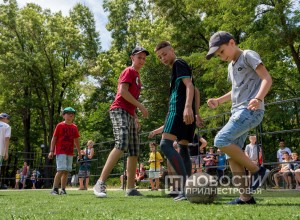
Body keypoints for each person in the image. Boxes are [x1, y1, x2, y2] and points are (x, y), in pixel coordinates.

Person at [206, 31, 272, 204]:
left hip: (250, 110)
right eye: (217, 55)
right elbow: (236, 90)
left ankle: (258, 171)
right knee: (231, 154)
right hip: (237, 112)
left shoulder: (248, 55)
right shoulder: (231, 66)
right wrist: (219, 101)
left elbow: (267, 78)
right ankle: (245, 197)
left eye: (221, 51)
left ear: (232, 43)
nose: (221, 56)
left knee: (220, 139)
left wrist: (258, 98)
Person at [93, 47, 149, 198]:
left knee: (134, 149)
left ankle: (131, 188)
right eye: (139, 57)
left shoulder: (138, 77)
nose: (142, 60)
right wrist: (140, 106)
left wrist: (135, 116)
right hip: (118, 110)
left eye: (144, 58)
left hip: (130, 114)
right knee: (122, 142)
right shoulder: (128, 71)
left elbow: (130, 99)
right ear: (132, 57)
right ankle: (100, 183)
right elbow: (122, 92)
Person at [153, 41, 200, 201]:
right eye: (160, 57)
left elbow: (190, 87)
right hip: (187, 112)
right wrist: (196, 113)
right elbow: (195, 88)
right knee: (183, 148)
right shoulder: (178, 67)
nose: (163, 58)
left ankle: (185, 187)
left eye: (165, 54)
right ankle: (188, 189)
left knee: (165, 145)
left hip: (178, 110)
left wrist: (187, 107)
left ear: (172, 50)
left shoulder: (178, 63)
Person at [48, 107, 81, 195]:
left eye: (73, 114)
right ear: (64, 115)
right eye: (68, 113)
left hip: (70, 152)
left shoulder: (74, 127)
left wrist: (79, 152)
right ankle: (54, 189)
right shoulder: (60, 125)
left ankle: (63, 189)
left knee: (67, 171)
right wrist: (51, 150)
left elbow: (76, 140)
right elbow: (54, 138)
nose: (71, 115)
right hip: (60, 151)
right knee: (61, 170)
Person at [0, 113, 11, 187]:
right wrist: (6, 152)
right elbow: (7, 139)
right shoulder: (7, 126)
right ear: (4, 118)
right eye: (8, 119)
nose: (8, 121)